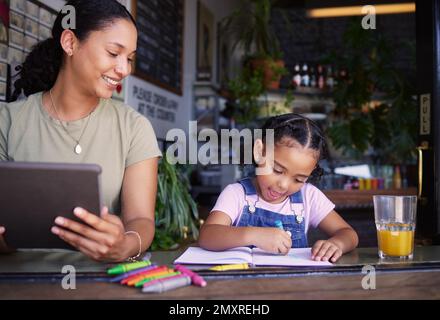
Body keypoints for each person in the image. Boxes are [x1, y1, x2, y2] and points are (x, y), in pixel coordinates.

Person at [0, 0, 161, 262]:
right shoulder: (7, 122)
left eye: (129, 58)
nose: (124, 69)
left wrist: (127, 244)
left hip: (101, 284)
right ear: (70, 42)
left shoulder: (134, 128)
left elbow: (141, 220)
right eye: (113, 53)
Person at [198, 113, 358, 262]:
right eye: (277, 170)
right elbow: (207, 235)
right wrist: (253, 235)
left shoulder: (309, 196)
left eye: (298, 179)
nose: (283, 185)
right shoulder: (237, 194)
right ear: (259, 152)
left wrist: (337, 244)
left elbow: (348, 233)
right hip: (243, 286)